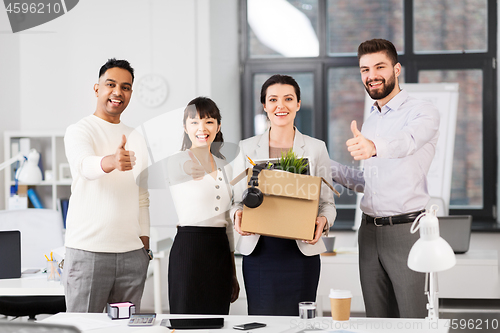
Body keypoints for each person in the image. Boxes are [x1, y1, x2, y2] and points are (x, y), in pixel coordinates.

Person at [331, 39, 440, 318]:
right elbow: (371, 182)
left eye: (380, 66)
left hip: (406, 231)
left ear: (397, 69)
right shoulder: (371, 119)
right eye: (365, 69)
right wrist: (326, 167)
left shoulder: (422, 111)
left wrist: (374, 147)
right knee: (377, 320)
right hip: (368, 233)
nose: (372, 75)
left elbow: (408, 141)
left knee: (412, 318)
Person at [231, 74, 336, 316]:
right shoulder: (246, 148)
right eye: (273, 99)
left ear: (298, 104)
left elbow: (327, 204)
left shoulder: (315, 148)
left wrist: (323, 221)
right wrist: (237, 214)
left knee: (301, 324)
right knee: (262, 321)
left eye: (289, 99)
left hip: (301, 253)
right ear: (265, 106)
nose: (281, 106)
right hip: (260, 253)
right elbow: (235, 200)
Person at [63, 58, 151, 313]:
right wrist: (112, 161)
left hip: (132, 254)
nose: (117, 92)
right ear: (97, 88)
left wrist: (144, 245)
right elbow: (84, 166)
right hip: (88, 251)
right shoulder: (80, 130)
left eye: (125, 87)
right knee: (83, 328)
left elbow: (142, 197)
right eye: (110, 84)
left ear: (131, 93)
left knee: (125, 329)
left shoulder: (137, 137)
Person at [167, 97, 239, 314]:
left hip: (219, 252)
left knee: (218, 321)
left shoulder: (226, 166)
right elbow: (182, 169)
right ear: (185, 127)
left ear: (218, 126)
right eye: (194, 122)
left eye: (208, 121)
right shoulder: (177, 161)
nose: (202, 128)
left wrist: (233, 271)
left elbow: (227, 222)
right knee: (186, 321)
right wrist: (192, 167)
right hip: (189, 249)